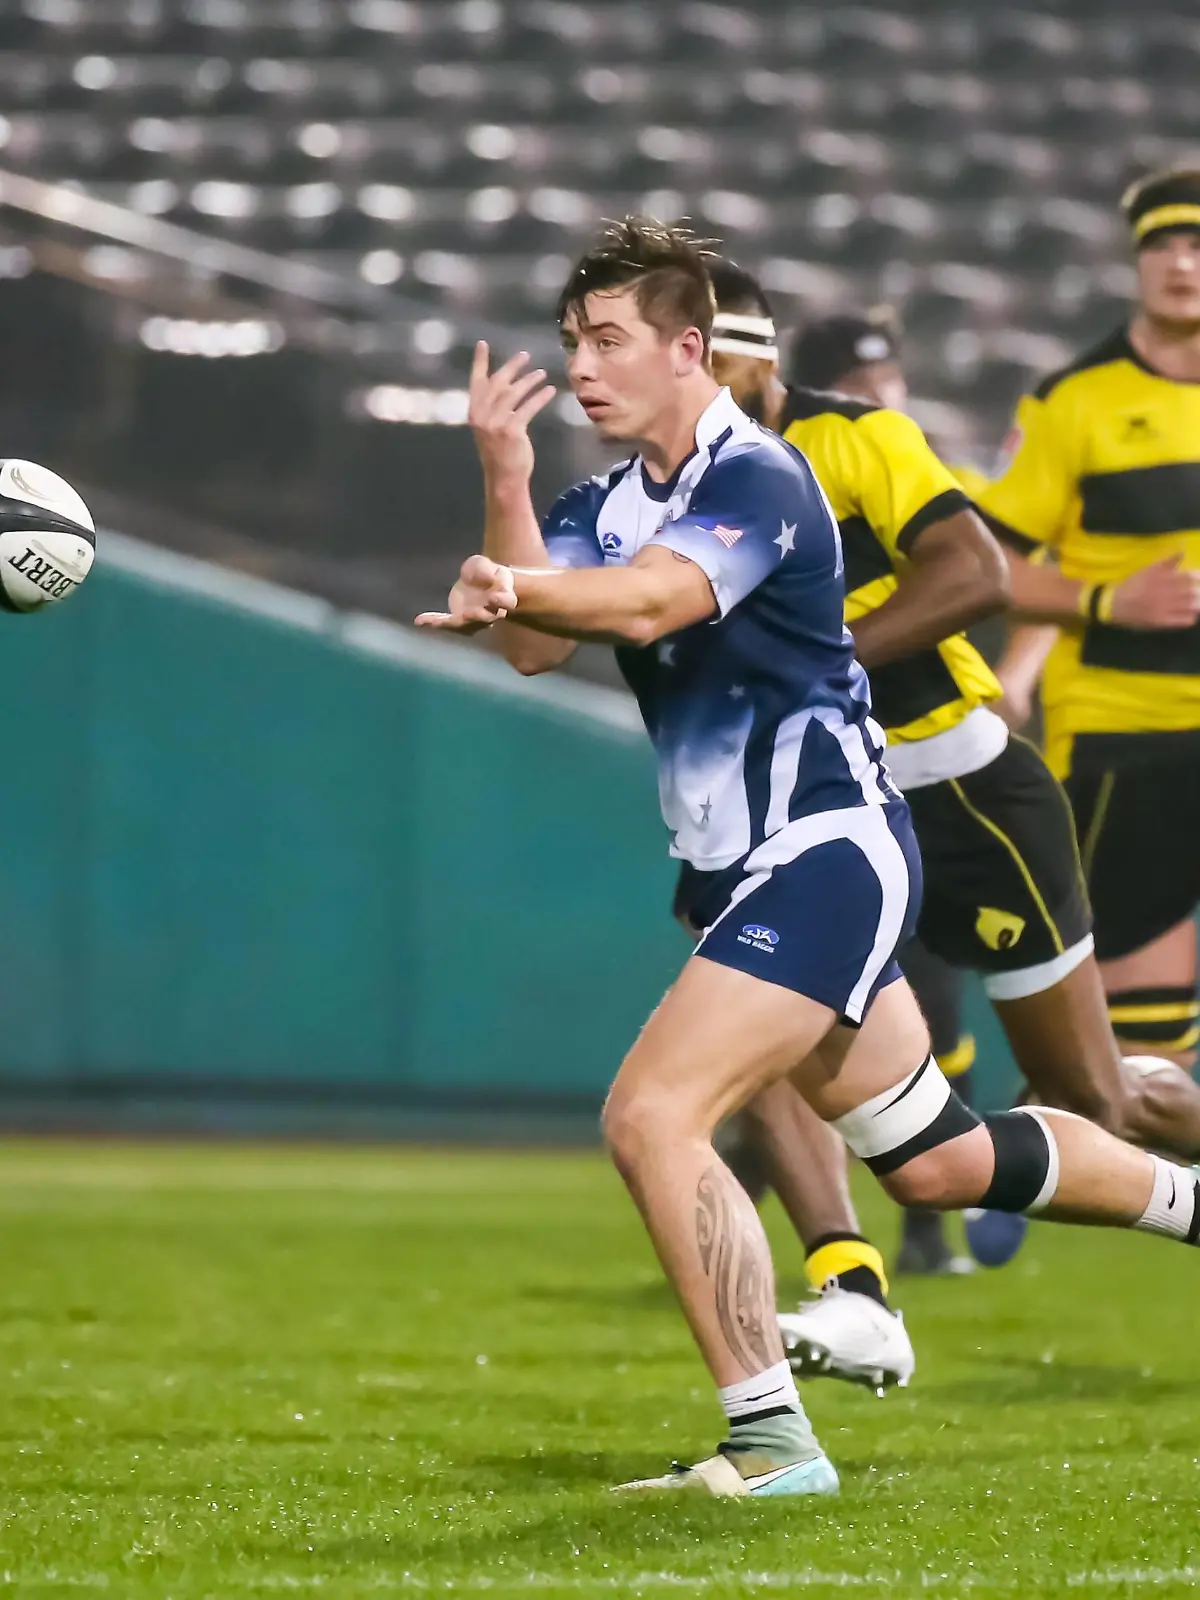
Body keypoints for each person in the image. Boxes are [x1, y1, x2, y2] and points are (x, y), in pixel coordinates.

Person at [416, 219, 1200, 1498]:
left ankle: (772, 1441)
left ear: (690, 348)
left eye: (608, 341)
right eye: (572, 343)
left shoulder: (761, 476)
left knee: (653, 1116)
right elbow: (536, 643)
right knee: (942, 1155)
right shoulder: (597, 500)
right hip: (746, 865)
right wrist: (505, 475)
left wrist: (526, 590)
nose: (586, 369)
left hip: (824, 849)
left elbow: (654, 601)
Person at [702, 259, 1200, 1391]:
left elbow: (976, 572)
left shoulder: (858, 439)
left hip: (966, 793)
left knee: (1096, 1094)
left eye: (708, 352)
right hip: (830, 809)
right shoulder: (676, 480)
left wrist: (815, 668)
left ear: (749, 353)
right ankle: (855, 1282)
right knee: (773, 1033)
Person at [978, 165, 1200, 1073]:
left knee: (1152, 1039)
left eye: (1198, 245)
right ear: (1136, 263)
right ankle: (1033, 1150)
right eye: (1162, 246)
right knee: (1118, 1039)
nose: (1182, 264)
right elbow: (989, 565)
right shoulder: (1075, 401)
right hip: (1124, 737)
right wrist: (1108, 600)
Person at [786, 306, 979, 1280]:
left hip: (927, 771)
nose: (882, 398)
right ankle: (825, 1240)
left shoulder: (903, 469)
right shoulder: (779, 474)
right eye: (864, 383)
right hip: (816, 788)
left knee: (930, 1008)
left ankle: (914, 1231)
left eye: (891, 380)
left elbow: (986, 572)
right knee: (789, 1025)